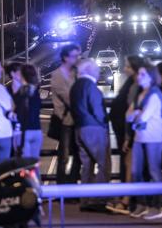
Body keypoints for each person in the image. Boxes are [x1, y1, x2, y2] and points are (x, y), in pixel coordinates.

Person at [127, 65, 162, 220]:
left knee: (154, 171)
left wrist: (135, 115)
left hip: (154, 138)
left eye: (143, 74)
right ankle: (142, 204)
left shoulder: (155, 94)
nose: (139, 76)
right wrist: (135, 115)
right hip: (139, 137)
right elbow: (128, 116)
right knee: (136, 172)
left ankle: (157, 207)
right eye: (139, 73)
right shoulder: (139, 93)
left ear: (151, 76)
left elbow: (141, 117)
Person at [70, 58, 110, 211]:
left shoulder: (75, 87)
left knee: (86, 166)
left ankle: (85, 199)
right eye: (96, 68)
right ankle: (98, 198)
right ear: (88, 70)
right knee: (103, 164)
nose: (98, 71)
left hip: (79, 129)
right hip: (94, 129)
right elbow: (98, 111)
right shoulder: (90, 87)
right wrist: (105, 124)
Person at [107, 55, 144, 215]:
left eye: (127, 66)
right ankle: (134, 200)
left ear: (135, 69)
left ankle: (127, 202)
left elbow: (132, 111)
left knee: (130, 166)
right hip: (129, 132)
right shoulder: (134, 83)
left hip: (133, 133)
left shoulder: (137, 86)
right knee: (136, 166)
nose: (124, 69)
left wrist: (128, 136)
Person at [50, 44, 81, 184]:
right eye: (74, 56)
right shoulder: (57, 75)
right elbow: (70, 97)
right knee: (64, 156)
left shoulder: (77, 72)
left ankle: (72, 185)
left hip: (77, 120)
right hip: (65, 121)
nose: (77, 58)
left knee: (78, 155)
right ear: (65, 57)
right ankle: (62, 187)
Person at [13, 64, 42, 160]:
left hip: (24, 132)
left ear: (22, 76)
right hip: (37, 130)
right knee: (34, 165)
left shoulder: (20, 93)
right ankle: (36, 176)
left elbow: (18, 114)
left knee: (25, 166)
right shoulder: (36, 92)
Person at [5, 62, 23, 155]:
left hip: (24, 127)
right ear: (12, 74)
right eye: (20, 72)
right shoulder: (6, 90)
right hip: (10, 127)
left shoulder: (27, 89)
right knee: (11, 154)